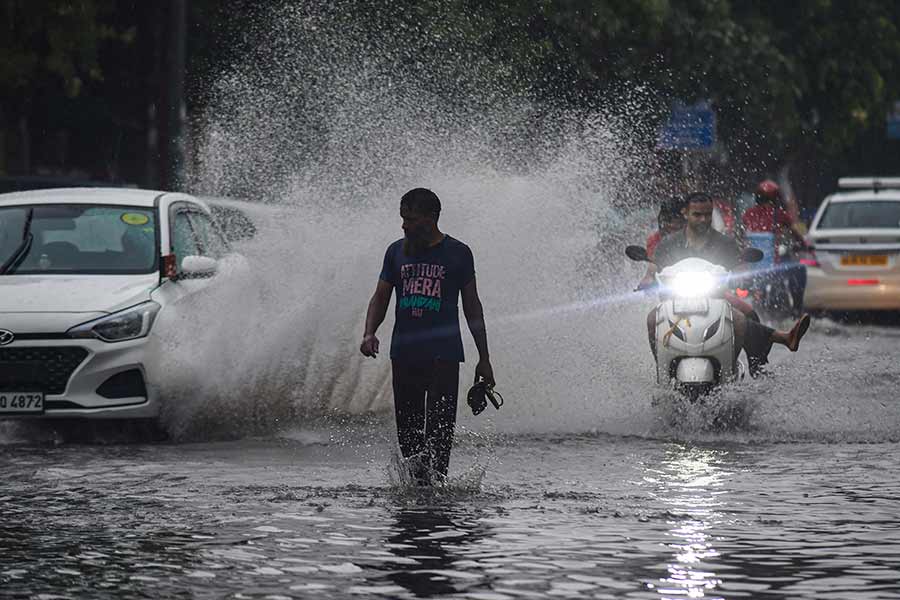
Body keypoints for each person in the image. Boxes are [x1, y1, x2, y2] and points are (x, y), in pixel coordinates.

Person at [360, 188, 495, 485]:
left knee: (439, 433)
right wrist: (369, 332)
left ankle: (436, 500)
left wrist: (484, 358)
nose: (405, 226)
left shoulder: (459, 253)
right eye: (402, 219)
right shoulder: (396, 251)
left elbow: (473, 306)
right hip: (404, 355)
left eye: (411, 219)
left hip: (444, 356)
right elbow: (380, 297)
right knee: (408, 436)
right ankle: (417, 498)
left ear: (431, 218)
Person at [639, 192, 810, 376]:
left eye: (707, 214)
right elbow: (653, 269)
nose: (703, 219)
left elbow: (738, 266)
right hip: (675, 302)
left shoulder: (725, 243)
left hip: (715, 299)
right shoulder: (668, 243)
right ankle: (662, 372)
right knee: (652, 320)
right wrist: (648, 280)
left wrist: (742, 279)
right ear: (685, 213)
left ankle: (738, 368)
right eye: (697, 215)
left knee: (740, 319)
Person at [741, 179, 807, 314]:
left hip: (752, 264)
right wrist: (803, 245)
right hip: (773, 264)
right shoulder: (779, 214)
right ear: (777, 198)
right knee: (800, 270)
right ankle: (797, 309)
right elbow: (794, 234)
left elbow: (742, 236)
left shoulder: (748, 214)